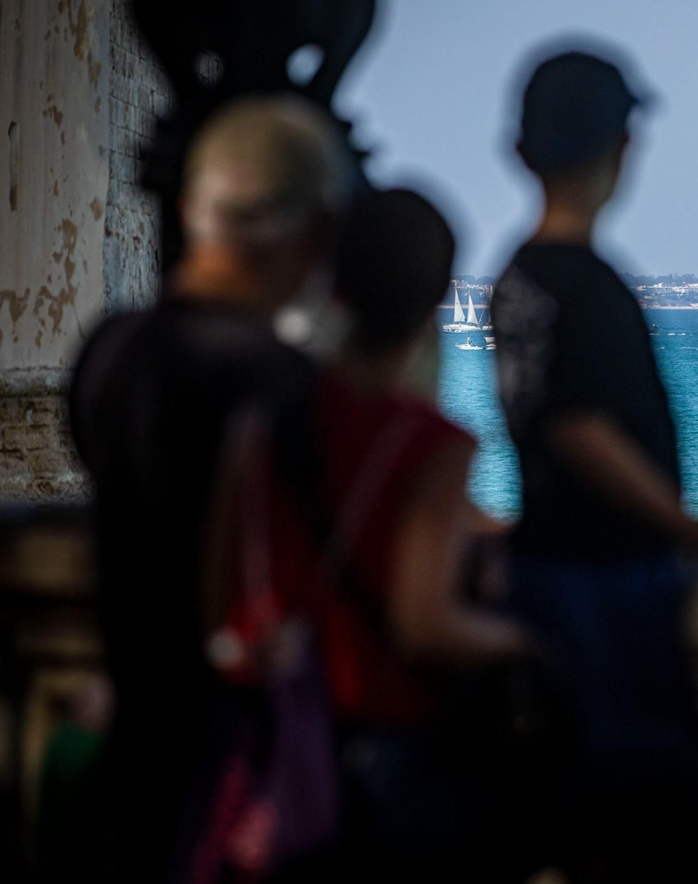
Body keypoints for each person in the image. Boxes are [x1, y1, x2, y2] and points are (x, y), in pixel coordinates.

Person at [203, 187, 534, 880]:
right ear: (438, 297)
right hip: (379, 753)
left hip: (269, 735)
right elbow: (424, 624)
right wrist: (523, 642)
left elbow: (219, 589)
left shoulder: (259, 425)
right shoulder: (434, 445)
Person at [69, 94, 354, 880]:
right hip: (238, 779)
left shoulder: (109, 353)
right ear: (319, 231)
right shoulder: (276, 381)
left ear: (194, 207)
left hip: (132, 751)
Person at [492, 46, 698, 881]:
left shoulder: (516, 279)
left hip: (542, 567)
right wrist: (685, 525)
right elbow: (580, 427)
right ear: (622, 151)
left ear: (523, 153)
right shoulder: (590, 286)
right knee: (638, 812)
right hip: (611, 584)